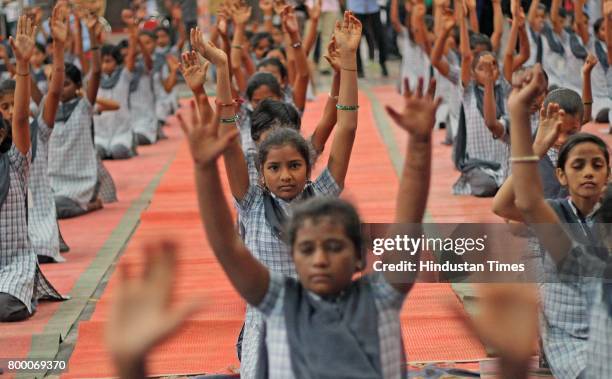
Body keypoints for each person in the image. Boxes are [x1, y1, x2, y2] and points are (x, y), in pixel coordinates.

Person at [507, 63, 612, 379]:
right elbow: (515, 209)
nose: (588, 172)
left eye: (597, 166)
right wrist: (535, 141)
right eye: (579, 166)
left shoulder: (602, 208)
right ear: (562, 175)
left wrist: (584, 77)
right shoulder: (552, 202)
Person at [0, 14, 63, 322]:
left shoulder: (15, 158)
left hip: (14, 265)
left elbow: (24, 117)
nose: (10, 115)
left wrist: (23, 67)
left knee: (5, 306)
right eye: (4, 108)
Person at [49, 13, 108, 220]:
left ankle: (89, 205)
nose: (58, 89)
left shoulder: (84, 106)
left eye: (65, 84)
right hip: (53, 181)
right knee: (31, 206)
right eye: (56, 84)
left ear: (77, 87)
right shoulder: (46, 108)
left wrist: (91, 33)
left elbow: (97, 71)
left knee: (55, 209)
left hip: (79, 182)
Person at [93, 10, 139, 160]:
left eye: (109, 61)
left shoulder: (124, 75)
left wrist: (132, 29)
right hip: (101, 133)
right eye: (103, 61)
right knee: (98, 153)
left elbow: (132, 54)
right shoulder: (96, 78)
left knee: (118, 152)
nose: (105, 65)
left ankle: (130, 143)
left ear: (117, 61)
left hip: (121, 131)